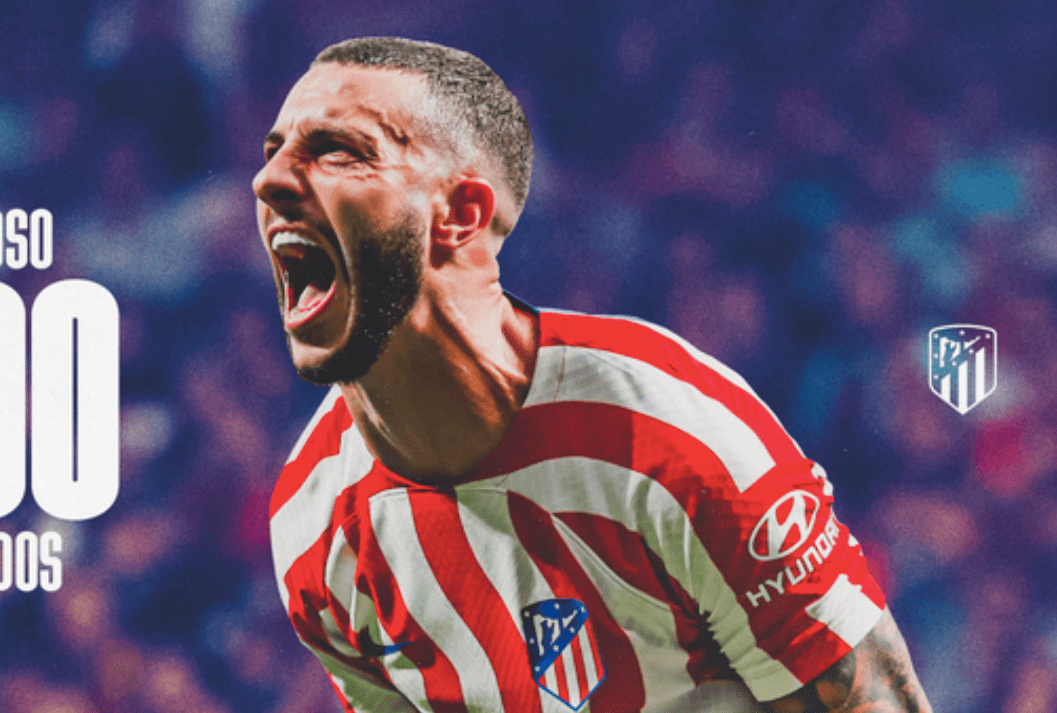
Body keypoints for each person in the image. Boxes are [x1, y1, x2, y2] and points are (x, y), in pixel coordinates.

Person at [254, 37, 932, 713]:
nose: (270, 181)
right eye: (273, 152)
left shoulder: (668, 431)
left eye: (338, 152)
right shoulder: (313, 527)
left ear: (460, 215)